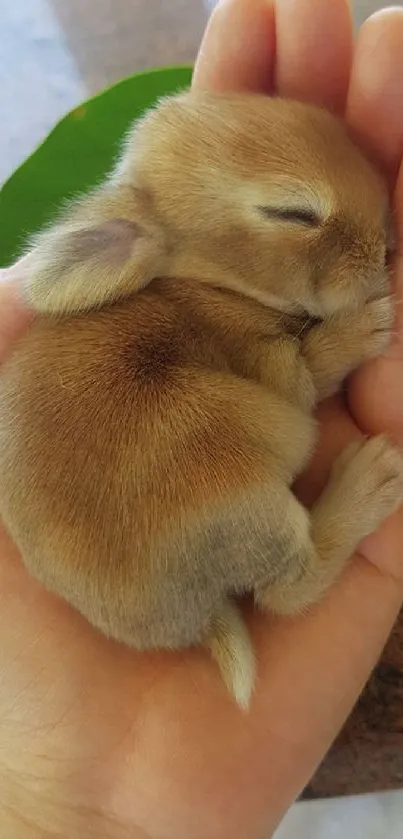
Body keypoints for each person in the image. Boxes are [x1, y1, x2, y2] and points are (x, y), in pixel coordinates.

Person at [1, 0, 403, 836]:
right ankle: (303, 563)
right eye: (297, 217)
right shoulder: (165, 290)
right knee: (227, 446)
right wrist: (326, 352)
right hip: (153, 551)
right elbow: (278, 388)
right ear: (133, 238)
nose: (376, 256)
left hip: (142, 558)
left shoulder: (181, 305)